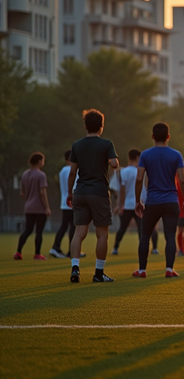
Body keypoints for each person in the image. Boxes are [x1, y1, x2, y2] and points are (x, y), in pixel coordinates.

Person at [67, 109, 120, 283]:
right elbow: (114, 164)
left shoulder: (76, 145)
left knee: (78, 233)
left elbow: (72, 172)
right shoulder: (107, 144)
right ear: (101, 127)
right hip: (99, 193)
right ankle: (98, 273)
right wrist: (113, 161)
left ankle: (75, 268)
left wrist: (70, 193)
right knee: (102, 234)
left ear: (85, 126)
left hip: (80, 192)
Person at [133, 123, 184, 278]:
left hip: (152, 201)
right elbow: (182, 180)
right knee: (170, 235)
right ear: (168, 137)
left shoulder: (145, 155)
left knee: (145, 235)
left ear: (152, 137)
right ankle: (169, 269)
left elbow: (139, 179)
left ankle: (142, 270)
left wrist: (138, 200)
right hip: (171, 201)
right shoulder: (176, 155)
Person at [113, 149, 158, 256]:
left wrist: (120, 205)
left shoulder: (123, 171)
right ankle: (149, 248)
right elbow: (147, 187)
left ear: (129, 157)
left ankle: (115, 248)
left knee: (122, 227)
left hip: (128, 205)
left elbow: (122, 190)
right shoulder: (142, 171)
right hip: (140, 203)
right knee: (143, 228)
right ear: (138, 158)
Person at [15, 152, 50, 260]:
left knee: (28, 230)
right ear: (39, 161)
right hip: (39, 208)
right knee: (39, 231)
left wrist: (29, 200)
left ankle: (18, 252)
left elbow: (22, 193)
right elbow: (42, 192)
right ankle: (37, 254)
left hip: (28, 207)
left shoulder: (25, 174)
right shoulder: (41, 175)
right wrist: (47, 207)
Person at [49, 150, 78, 258]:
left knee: (65, 226)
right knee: (72, 227)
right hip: (72, 202)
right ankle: (70, 250)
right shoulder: (73, 170)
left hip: (64, 202)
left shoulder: (62, 171)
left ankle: (58, 247)